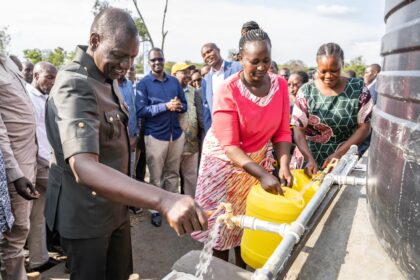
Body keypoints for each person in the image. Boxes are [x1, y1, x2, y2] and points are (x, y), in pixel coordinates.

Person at [45, 8, 207, 280]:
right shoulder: (75, 83)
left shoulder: (104, 78)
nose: (126, 65)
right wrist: (164, 198)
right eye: (119, 55)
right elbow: (83, 166)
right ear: (95, 41)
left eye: (131, 57)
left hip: (114, 207)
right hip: (88, 215)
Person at [192, 27, 292, 267]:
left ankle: (243, 270)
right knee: (221, 228)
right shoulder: (228, 89)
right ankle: (219, 272)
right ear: (240, 59)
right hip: (224, 164)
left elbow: (282, 131)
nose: (261, 67)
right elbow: (229, 146)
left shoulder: (280, 85)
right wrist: (263, 174)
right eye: (254, 61)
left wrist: (284, 166)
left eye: (266, 61)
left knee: (246, 224)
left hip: (257, 162)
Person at [291, 42, 373, 173]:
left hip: (342, 160)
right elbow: (298, 131)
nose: (328, 76)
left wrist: (339, 154)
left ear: (342, 65)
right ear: (317, 67)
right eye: (323, 71)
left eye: (334, 71)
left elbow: (364, 128)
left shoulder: (358, 89)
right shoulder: (306, 91)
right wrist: (309, 158)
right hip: (308, 160)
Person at [136, 48, 188, 227]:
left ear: (164, 60)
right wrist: (165, 106)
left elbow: (185, 105)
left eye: (160, 59)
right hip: (156, 136)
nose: (157, 62)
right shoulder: (143, 84)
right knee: (156, 177)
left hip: (176, 134)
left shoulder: (174, 81)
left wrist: (178, 106)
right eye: (153, 60)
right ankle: (155, 209)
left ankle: (172, 207)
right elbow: (141, 111)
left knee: (172, 174)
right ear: (149, 62)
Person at [0, 49, 39, 280]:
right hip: (13, 161)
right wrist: (14, 173)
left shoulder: (8, 62)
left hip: (30, 155)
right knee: (16, 230)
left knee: (22, 227)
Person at [26, 62, 57, 272]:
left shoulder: (45, 97)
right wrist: (47, 161)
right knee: (69, 200)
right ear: (36, 75)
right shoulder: (29, 98)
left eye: (54, 78)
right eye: (48, 77)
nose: (52, 82)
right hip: (41, 164)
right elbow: (34, 136)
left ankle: (38, 259)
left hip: (47, 160)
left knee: (38, 214)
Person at [172, 63, 204, 198]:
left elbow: (200, 116)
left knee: (191, 176)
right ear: (174, 75)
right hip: (174, 142)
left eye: (188, 72)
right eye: (183, 72)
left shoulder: (194, 92)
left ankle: (191, 204)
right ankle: (173, 205)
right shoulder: (169, 91)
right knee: (172, 176)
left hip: (192, 143)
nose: (187, 75)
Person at [200, 43, 242, 132]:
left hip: (242, 124)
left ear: (218, 50)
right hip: (220, 129)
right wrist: (209, 131)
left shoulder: (237, 67)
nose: (207, 56)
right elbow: (206, 107)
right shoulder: (206, 80)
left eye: (209, 51)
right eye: (204, 55)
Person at [358, 63, 381, 155]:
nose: (364, 75)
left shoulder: (375, 87)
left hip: (369, 125)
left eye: (367, 72)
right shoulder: (371, 86)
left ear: (375, 73)